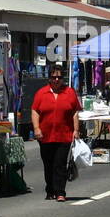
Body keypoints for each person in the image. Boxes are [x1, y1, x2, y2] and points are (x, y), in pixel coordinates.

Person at [31, 65, 81, 201]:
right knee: (48, 164)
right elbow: (35, 111)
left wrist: (76, 130)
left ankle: (60, 192)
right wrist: (36, 128)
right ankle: (50, 189)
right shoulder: (41, 93)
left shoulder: (69, 92)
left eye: (59, 77)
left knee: (60, 163)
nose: (57, 80)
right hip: (45, 135)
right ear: (49, 78)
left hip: (64, 135)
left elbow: (75, 112)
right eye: (54, 77)